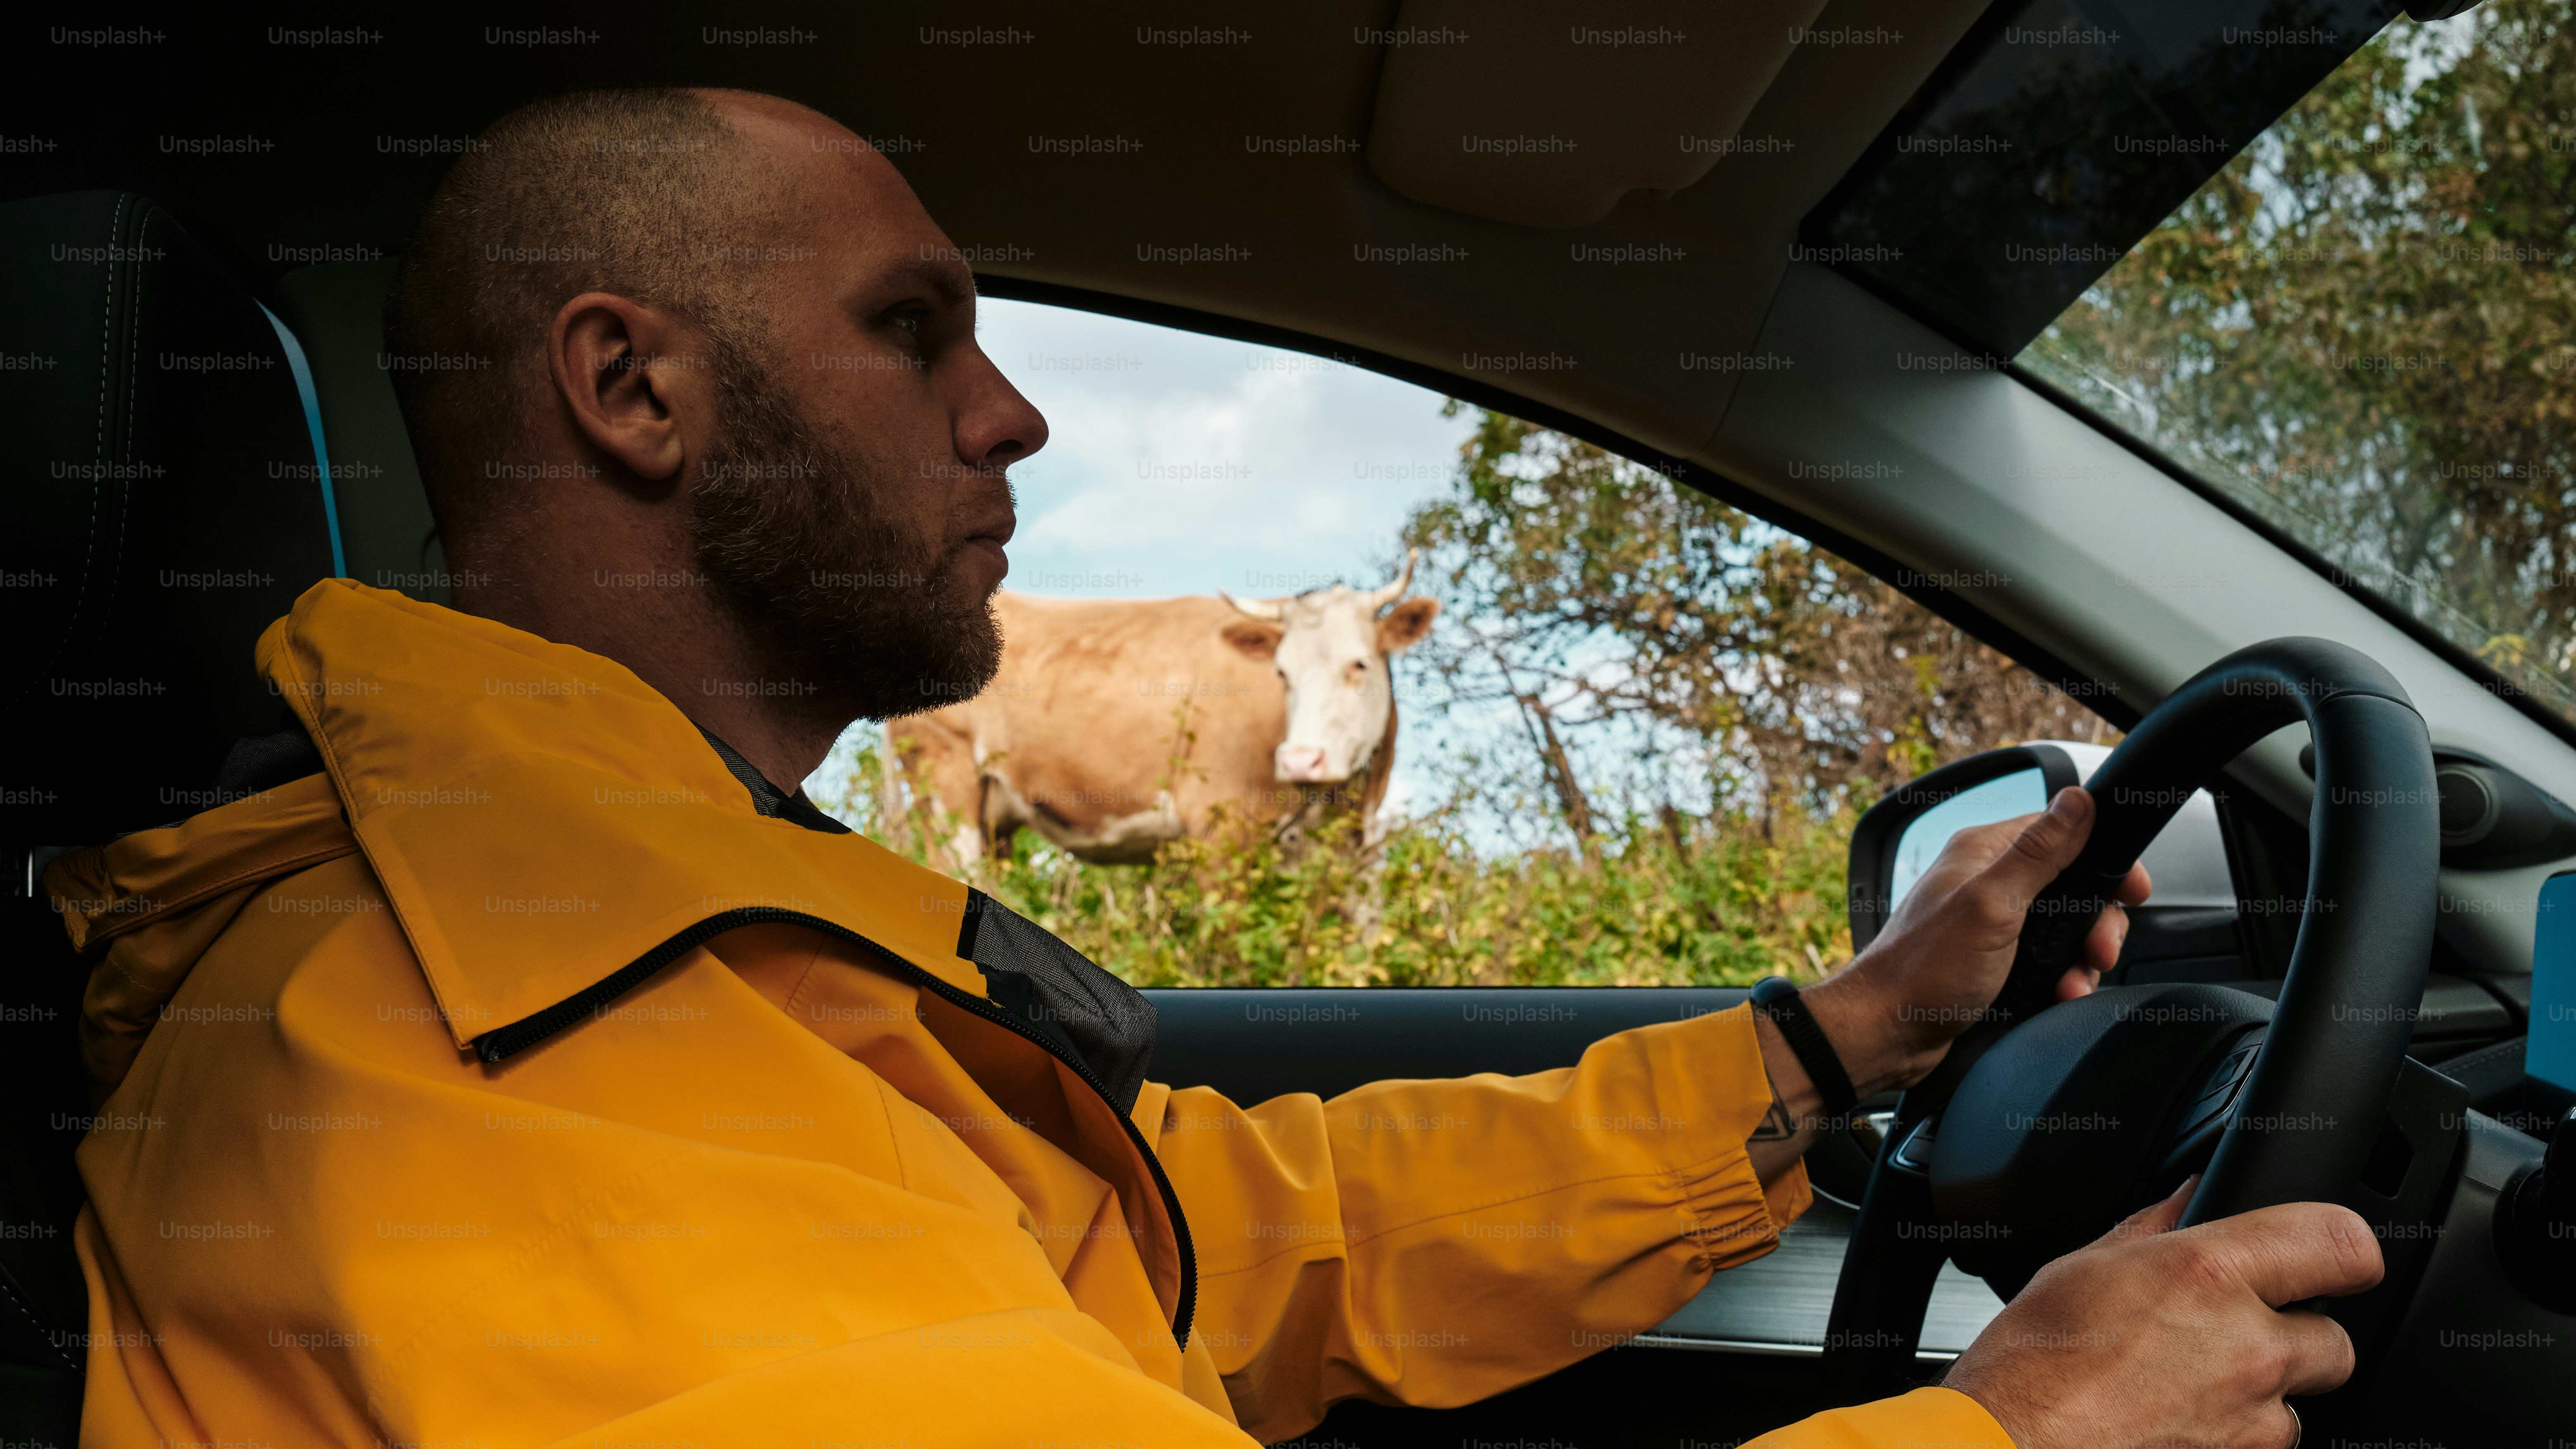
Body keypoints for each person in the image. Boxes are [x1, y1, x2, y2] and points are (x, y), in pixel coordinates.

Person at [45, 88, 2378, 1449]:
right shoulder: (469, 1069)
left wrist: (1827, 1037)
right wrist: (2007, 1423)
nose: (1018, 414)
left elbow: (1226, 1234)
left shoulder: (674, 946)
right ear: (629, 391)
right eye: (913, 330)